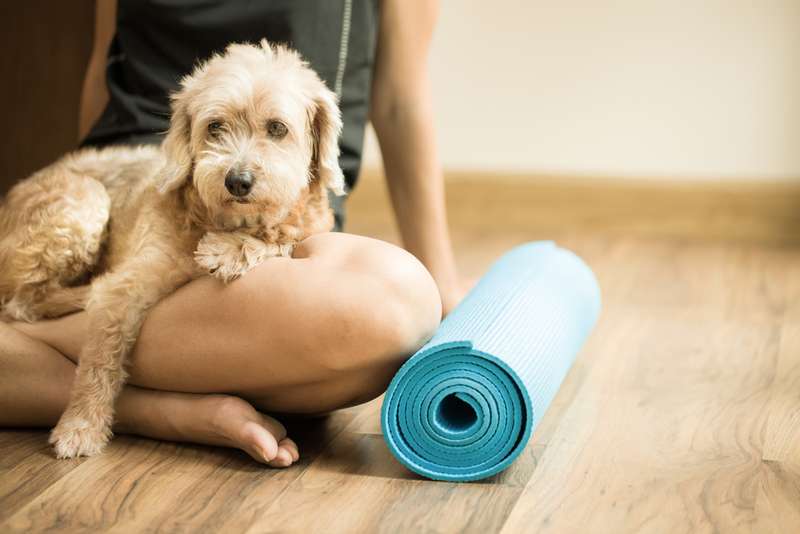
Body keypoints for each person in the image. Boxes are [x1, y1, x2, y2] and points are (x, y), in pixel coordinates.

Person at [0, 0, 468, 467]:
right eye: (220, 127)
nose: (242, 163)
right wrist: (115, 218)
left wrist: (444, 288)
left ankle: (27, 347)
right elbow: (108, 60)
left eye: (277, 128)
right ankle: (157, 409)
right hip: (156, 168)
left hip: (286, 209)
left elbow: (400, 102)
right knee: (352, 343)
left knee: (392, 311)